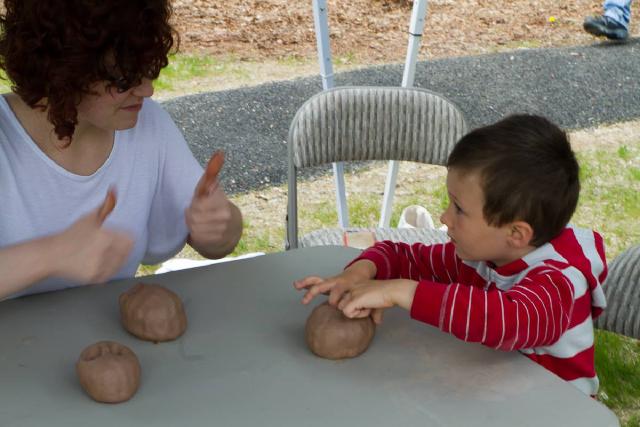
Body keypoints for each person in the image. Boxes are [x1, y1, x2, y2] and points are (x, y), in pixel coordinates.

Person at [294, 114, 608, 397]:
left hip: (555, 412)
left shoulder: (560, 281)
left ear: (516, 234)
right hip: (499, 394)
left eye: (459, 208)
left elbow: (508, 321)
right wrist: (361, 272)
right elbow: (402, 255)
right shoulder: (481, 256)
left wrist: (402, 291)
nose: (444, 217)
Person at [0, 0, 243, 300]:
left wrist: (221, 226)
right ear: (63, 72)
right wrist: (52, 254)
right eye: (124, 79)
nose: (147, 89)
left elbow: (220, 243)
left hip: (103, 340)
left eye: (147, 69)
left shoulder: (146, 124)